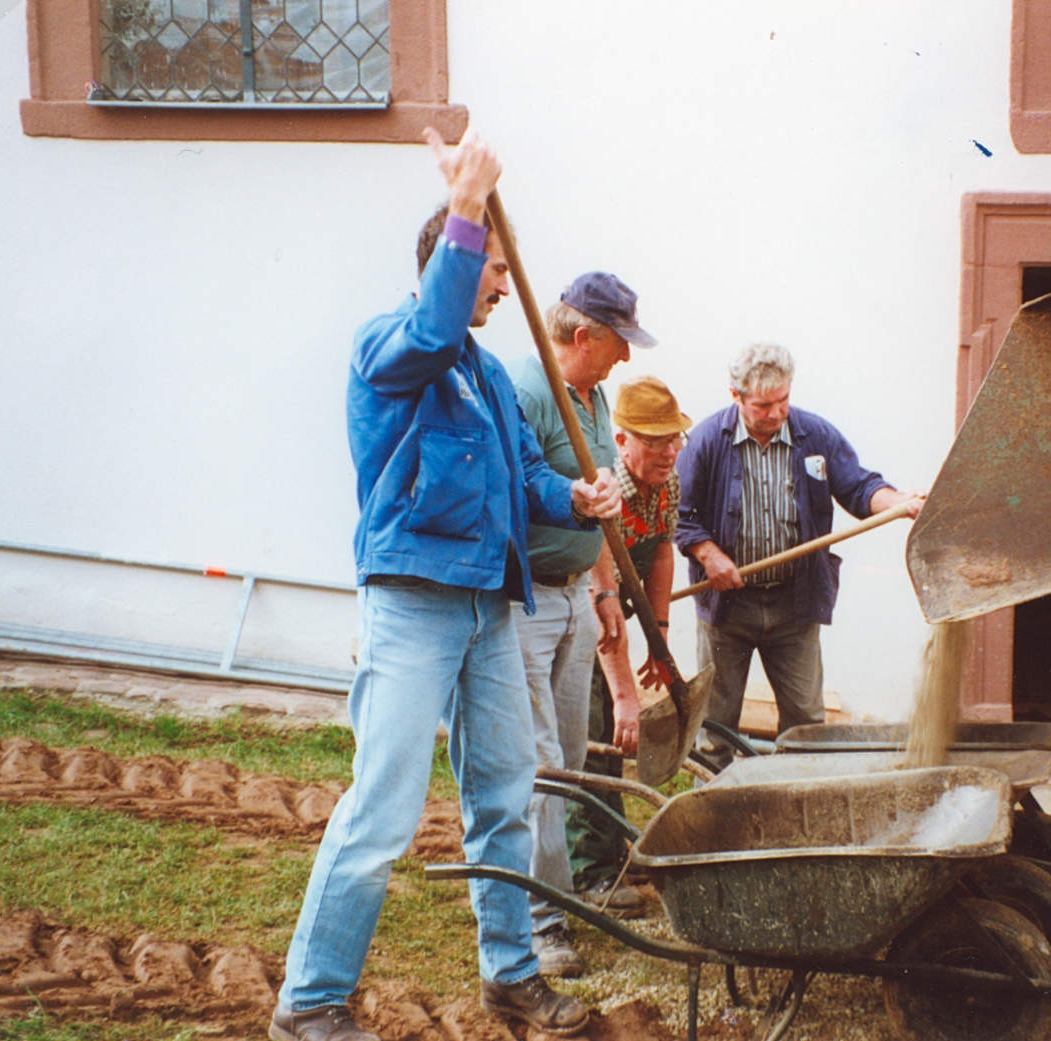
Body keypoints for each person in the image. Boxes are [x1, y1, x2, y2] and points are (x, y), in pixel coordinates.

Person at [270, 128, 620, 1041]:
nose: (503, 286)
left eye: (501, 269)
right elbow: (431, 324)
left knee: (504, 793)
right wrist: (468, 205)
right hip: (411, 602)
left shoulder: (487, 374)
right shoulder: (393, 344)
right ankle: (311, 1000)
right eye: (491, 269)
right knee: (382, 807)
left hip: (487, 609)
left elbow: (521, 481)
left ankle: (512, 977)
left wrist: (577, 496)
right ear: (450, 264)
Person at [675, 343, 923, 772]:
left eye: (784, 400)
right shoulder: (705, 442)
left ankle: (799, 807)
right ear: (735, 396)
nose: (776, 413)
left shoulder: (815, 435)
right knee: (715, 731)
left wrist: (899, 501)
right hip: (727, 609)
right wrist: (707, 552)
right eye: (764, 405)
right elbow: (680, 515)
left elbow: (860, 487)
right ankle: (712, 825)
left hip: (795, 605)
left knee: (808, 727)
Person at [505, 272, 656, 976]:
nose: (627, 357)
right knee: (538, 764)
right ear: (583, 335)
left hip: (573, 597)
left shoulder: (593, 398)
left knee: (564, 761)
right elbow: (518, 487)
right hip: (527, 600)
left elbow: (598, 507)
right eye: (619, 341)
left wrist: (600, 594)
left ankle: (556, 892)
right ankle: (541, 924)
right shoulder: (527, 392)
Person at [566, 376, 691, 909]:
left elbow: (662, 552)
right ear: (622, 440)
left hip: (618, 605)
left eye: (675, 438)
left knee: (617, 745)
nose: (671, 450)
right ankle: (587, 872)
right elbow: (605, 606)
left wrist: (659, 638)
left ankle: (614, 851)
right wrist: (625, 696)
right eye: (657, 440)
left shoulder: (667, 481)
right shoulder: (606, 488)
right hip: (584, 615)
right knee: (596, 739)